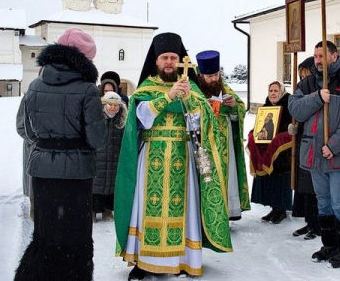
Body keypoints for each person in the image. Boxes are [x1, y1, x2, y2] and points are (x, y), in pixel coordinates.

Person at [113, 33, 231, 280]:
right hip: (152, 156)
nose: (169, 62)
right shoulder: (147, 87)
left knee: (184, 207)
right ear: (156, 61)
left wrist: (189, 99)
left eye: (173, 57)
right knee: (146, 209)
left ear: (181, 60)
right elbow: (141, 117)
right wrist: (167, 97)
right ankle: (143, 261)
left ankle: (182, 259)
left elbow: (204, 120)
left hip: (182, 156)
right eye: (164, 57)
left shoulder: (192, 88)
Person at [15, 28, 107, 281]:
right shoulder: (88, 89)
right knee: (75, 237)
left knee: (46, 233)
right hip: (76, 174)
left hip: (42, 170)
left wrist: (48, 144)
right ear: (85, 60)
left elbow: (28, 130)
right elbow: (97, 139)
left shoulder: (35, 85)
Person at [288, 41, 340, 269]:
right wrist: (316, 98)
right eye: (315, 56)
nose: (318, 60)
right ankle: (330, 245)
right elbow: (295, 109)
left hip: (339, 155)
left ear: (335, 56)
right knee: (323, 202)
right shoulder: (308, 82)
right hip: (314, 153)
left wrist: (333, 145)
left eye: (322, 56)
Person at [196, 49, 250, 221]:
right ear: (201, 75)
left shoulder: (224, 88)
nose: (214, 79)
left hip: (225, 144)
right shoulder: (195, 91)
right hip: (203, 141)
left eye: (216, 74)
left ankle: (225, 212)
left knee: (225, 177)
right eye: (209, 76)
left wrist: (233, 105)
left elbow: (240, 109)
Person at [248, 81, 294, 225]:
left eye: (276, 90)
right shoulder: (266, 108)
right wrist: (254, 133)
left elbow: (292, 126)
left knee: (281, 179)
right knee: (270, 178)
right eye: (271, 91)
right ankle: (274, 208)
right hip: (267, 149)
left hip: (283, 151)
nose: (273, 93)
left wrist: (280, 136)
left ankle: (282, 210)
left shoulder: (289, 106)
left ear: (281, 91)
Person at [290, 56, 320, 240]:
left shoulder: (317, 92)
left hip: (315, 141)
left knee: (314, 187)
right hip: (303, 139)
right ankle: (309, 221)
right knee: (304, 186)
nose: (304, 79)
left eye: (306, 75)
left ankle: (318, 225)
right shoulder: (302, 90)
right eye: (301, 76)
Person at [93, 91, 128, 222]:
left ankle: (108, 210)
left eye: (115, 105)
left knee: (111, 186)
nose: (113, 108)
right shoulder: (97, 119)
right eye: (109, 105)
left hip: (114, 159)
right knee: (96, 186)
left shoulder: (122, 121)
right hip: (98, 158)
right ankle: (93, 211)